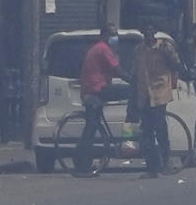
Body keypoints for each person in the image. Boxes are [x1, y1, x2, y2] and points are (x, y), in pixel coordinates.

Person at [74, 23, 130, 178]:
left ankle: (82, 164)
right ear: (104, 35)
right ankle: (133, 118)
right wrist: (134, 81)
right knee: (131, 92)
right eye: (112, 34)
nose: (114, 37)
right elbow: (118, 70)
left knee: (90, 129)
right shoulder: (103, 49)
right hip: (97, 90)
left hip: (91, 90)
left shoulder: (99, 49)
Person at [133, 22, 184, 178]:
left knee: (161, 129)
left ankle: (166, 162)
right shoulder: (138, 50)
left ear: (154, 32)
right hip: (144, 94)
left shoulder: (164, 47)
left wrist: (166, 55)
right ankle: (152, 168)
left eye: (151, 30)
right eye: (145, 30)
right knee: (146, 132)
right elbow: (135, 73)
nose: (148, 33)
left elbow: (176, 65)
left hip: (160, 93)